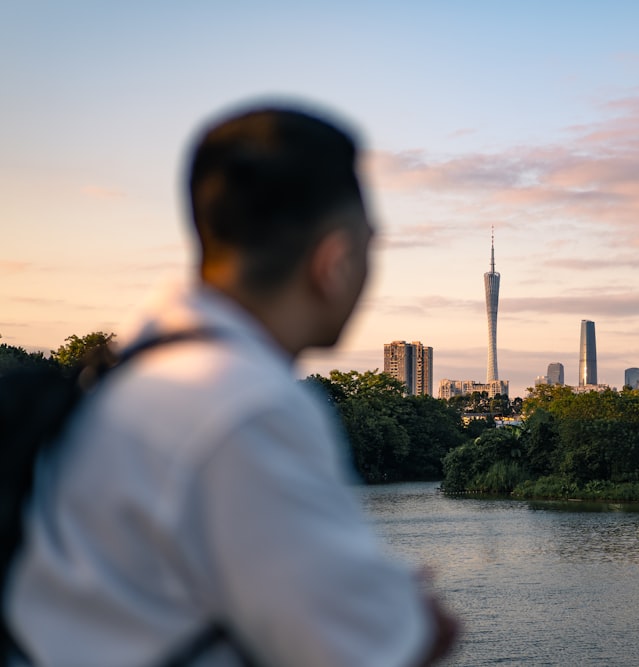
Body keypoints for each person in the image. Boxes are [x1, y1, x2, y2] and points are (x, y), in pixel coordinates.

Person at [5, 104, 458, 666]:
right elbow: (373, 651)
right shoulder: (246, 405)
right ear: (335, 261)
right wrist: (411, 621)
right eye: (371, 246)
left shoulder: (134, 361)